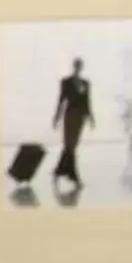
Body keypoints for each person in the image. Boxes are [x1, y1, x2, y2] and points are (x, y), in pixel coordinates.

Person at [53, 57, 95, 188]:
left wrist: (91, 117)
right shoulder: (66, 82)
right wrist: (57, 117)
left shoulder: (86, 83)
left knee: (71, 146)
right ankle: (73, 175)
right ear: (73, 66)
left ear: (81, 67)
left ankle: (59, 170)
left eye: (79, 65)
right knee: (69, 145)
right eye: (76, 65)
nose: (78, 67)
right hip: (70, 115)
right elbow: (61, 100)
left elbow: (87, 102)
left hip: (80, 117)